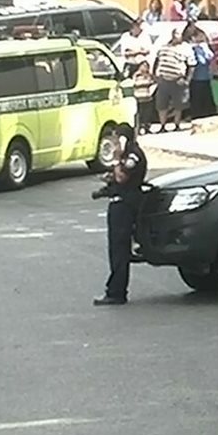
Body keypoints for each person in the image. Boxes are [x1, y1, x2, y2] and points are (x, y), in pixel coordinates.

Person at [93, 123, 148, 307]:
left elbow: (123, 177)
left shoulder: (132, 155)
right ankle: (114, 288)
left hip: (125, 206)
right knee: (116, 250)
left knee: (119, 250)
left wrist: (116, 160)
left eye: (117, 139)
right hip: (120, 203)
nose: (115, 143)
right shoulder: (128, 154)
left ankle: (116, 292)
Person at [153, 30, 194, 131]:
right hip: (163, 80)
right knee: (162, 104)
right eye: (175, 34)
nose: (176, 37)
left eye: (178, 34)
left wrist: (187, 80)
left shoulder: (186, 48)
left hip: (177, 80)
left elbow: (192, 65)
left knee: (178, 104)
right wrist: (155, 75)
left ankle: (177, 124)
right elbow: (157, 60)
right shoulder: (164, 47)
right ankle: (162, 126)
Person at [132, 63, 158, 133]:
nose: (145, 68)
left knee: (147, 114)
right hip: (138, 98)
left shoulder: (149, 76)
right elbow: (133, 83)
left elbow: (154, 82)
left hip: (147, 97)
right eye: (143, 66)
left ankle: (147, 127)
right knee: (139, 114)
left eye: (146, 66)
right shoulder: (136, 75)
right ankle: (139, 129)